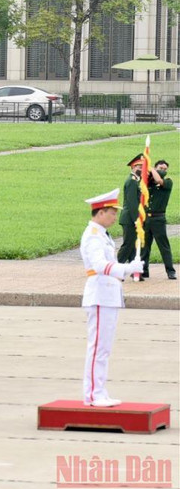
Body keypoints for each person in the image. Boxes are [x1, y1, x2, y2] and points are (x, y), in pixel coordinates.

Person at [80, 189, 143, 407]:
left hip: (107, 295)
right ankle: (92, 395)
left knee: (104, 348)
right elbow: (99, 265)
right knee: (97, 347)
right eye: (112, 212)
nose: (115, 217)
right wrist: (127, 268)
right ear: (100, 213)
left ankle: (100, 391)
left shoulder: (102, 235)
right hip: (99, 295)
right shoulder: (93, 236)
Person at [140, 160, 176, 280]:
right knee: (144, 246)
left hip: (158, 218)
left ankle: (170, 271)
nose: (163, 170)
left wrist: (152, 169)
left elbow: (160, 181)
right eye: (161, 168)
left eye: (165, 169)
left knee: (163, 246)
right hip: (146, 218)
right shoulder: (149, 182)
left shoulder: (168, 182)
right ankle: (144, 270)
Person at [117, 154, 143, 265]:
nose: (141, 169)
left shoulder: (136, 181)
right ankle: (116, 267)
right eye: (138, 166)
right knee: (128, 245)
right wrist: (136, 219)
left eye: (142, 166)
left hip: (131, 218)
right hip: (129, 218)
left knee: (133, 245)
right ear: (132, 167)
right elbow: (132, 203)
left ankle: (134, 271)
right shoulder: (132, 181)